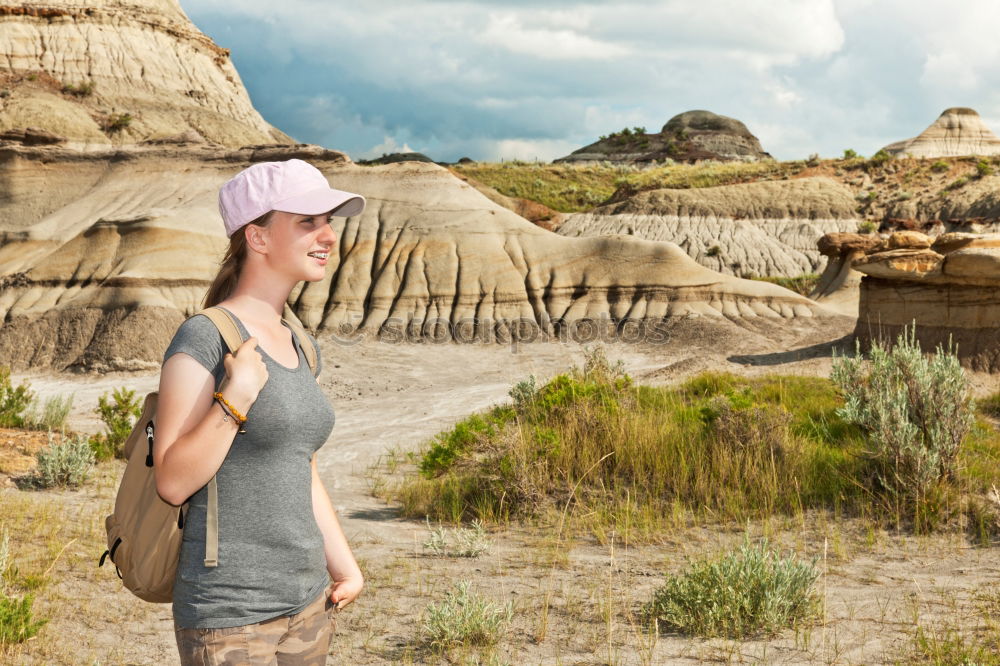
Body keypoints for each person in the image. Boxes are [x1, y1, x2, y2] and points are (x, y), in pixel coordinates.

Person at [154, 158, 366, 665]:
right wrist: (236, 398)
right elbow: (172, 481)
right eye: (308, 222)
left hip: (309, 601)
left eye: (329, 221)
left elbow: (301, 464)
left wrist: (345, 566)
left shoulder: (300, 343)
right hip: (230, 614)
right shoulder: (204, 336)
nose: (328, 235)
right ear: (258, 237)